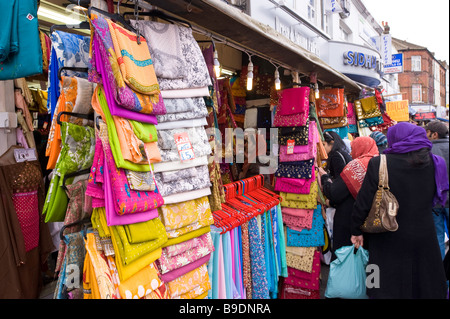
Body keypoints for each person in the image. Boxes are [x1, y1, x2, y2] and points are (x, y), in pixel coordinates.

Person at [351, 122, 449, 299]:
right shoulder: (436, 163)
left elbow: (363, 201)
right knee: (423, 282)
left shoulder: (379, 163)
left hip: (386, 234)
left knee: (381, 283)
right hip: (424, 235)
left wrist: (356, 229)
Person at [320, 137, 379, 258]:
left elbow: (334, 193)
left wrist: (325, 178)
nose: (351, 153)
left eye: (353, 149)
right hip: (375, 223)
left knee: (346, 261)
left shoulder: (356, 166)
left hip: (350, 222)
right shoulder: (381, 163)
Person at [425, 120, 449, 260]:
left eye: (427, 132)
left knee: (437, 238)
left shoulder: (427, 151)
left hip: (435, 200)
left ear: (434, 134)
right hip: (441, 200)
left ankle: (441, 276)